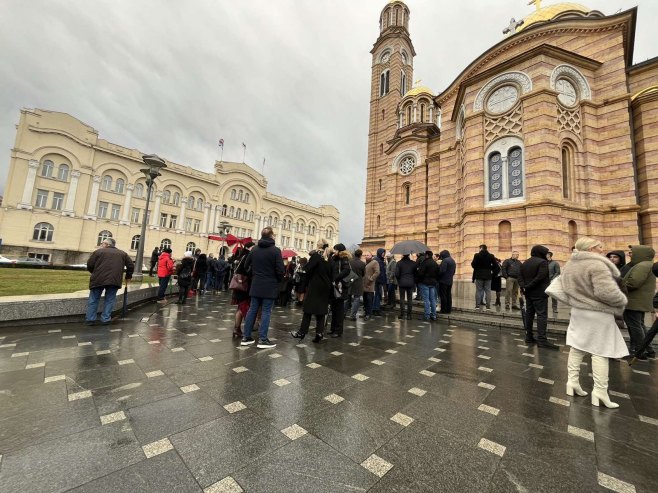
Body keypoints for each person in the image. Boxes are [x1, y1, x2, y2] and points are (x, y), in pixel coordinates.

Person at [560, 237, 628, 408]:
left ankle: (572, 383)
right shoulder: (596, 264)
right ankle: (599, 392)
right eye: (599, 247)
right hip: (597, 312)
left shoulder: (569, 264)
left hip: (578, 311)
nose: (602, 250)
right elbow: (607, 292)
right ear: (590, 249)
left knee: (577, 347)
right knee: (600, 351)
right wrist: (620, 303)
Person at [241, 227, 284, 348]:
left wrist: (254, 275)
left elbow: (246, 266)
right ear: (271, 236)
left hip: (256, 284)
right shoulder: (275, 251)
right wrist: (277, 280)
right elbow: (281, 270)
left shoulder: (254, 249)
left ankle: (246, 337)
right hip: (269, 285)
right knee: (266, 311)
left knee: (252, 309)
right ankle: (263, 340)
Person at [85, 238, 134, 325]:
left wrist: (95, 272)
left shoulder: (98, 252)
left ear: (107, 244)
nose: (101, 245)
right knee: (110, 299)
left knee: (94, 299)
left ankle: (90, 319)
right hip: (114, 280)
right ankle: (106, 319)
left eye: (102, 243)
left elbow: (90, 265)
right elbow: (130, 265)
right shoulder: (123, 253)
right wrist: (128, 276)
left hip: (98, 279)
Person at [518, 245, 559, 350]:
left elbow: (520, 276)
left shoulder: (525, 262)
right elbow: (540, 277)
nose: (546, 255)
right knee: (541, 315)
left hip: (529, 293)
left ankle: (529, 337)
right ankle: (542, 340)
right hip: (539, 293)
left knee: (529, 315)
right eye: (545, 253)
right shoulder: (543, 262)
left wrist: (524, 287)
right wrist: (528, 286)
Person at [291, 240, 331, 343]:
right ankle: (319, 333)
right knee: (321, 311)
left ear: (318, 245)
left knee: (308, 310)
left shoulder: (316, 256)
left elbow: (307, 269)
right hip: (325, 287)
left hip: (315, 286)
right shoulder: (328, 258)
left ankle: (302, 332)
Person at [621, 245, 657, 359]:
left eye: (632, 252)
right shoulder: (647, 265)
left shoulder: (642, 266)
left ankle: (640, 352)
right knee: (639, 326)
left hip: (634, 301)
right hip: (638, 301)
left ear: (641, 253)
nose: (629, 254)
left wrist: (619, 286)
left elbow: (633, 283)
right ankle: (649, 350)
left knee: (635, 327)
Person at [231, 242, 255, 338]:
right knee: (242, 307)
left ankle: (237, 328)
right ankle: (237, 329)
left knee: (240, 307)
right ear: (248, 248)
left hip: (239, 285)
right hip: (243, 285)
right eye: (253, 247)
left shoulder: (241, 255)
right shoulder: (247, 256)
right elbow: (244, 270)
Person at [328, 243, 351, 337]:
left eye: (336, 250)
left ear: (340, 251)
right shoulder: (334, 258)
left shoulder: (344, 259)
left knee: (339, 310)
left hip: (340, 287)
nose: (334, 251)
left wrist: (336, 279)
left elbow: (346, 270)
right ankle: (333, 328)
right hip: (334, 287)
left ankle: (338, 331)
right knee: (333, 308)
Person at [471, 244, 498, 309]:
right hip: (488, 275)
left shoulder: (477, 255)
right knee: (488, 291)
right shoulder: (491, 256)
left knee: (478, 290)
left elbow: (473, 265)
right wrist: (490, 269)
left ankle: (477, 305)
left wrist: (478, 267)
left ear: (481, 248)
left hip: (479, 275)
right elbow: (496, 265)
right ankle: (488, 306)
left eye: (479, 248)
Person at [417, 250, 440, 320]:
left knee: (426, 300)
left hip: (424, 283)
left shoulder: (424, 263)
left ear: (426, 255)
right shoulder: (435, 263)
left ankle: (427, 316)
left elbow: (420, 274)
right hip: (432, 284)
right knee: (433, 300)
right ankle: (434, 315)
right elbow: (438, 273)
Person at [395, 253, 416, 320]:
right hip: (410, 283)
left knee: (402, 298)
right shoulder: (413, 263)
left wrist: (399, 280)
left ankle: (402, 314)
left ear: (403, 255)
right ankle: (409, 315)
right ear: (409, 255)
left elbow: (396, 274)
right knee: (410, 299)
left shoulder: (399, 263)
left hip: (402, 282)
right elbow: (416, 273)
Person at [347, 249, 366, 320]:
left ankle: (343, 313)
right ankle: (352, 315)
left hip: (349, 281)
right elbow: (364, 273)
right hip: (358, 282)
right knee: (357, 299)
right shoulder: (362, 263)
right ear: (360, 255)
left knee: (347, 298)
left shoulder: (349, 262)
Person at [362, 251, 380, 320]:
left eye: (368, 255)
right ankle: (366, 312)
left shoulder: (374, 262)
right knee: (365, 300)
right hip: (364, 284)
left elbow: (377, 272)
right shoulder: (365, 263)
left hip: (370, 285)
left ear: (371, 256)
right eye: (365, 255)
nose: (366, 256)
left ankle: (369, 314)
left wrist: (371, 279)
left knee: (369, 300)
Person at [373, 248, 387, 315]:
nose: (383, 254)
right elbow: (378, 272)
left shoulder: (380, 260)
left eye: (384, 253)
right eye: (382, 253)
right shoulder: (377, 260)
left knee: (378, 295)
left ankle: (376, 308)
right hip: (377, 281)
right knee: (377, 295)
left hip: (379, 281)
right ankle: (376, 309)